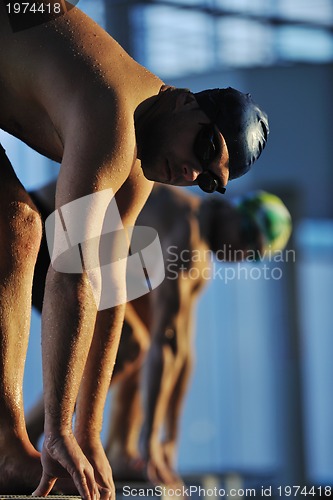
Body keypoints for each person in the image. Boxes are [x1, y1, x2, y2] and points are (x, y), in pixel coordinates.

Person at [0, 0, 269, 497]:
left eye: (208, 180)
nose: (191, 174)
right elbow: (74, 271)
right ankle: (13, 445)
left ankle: (14, 446)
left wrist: (88, 432)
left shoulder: (138, 172)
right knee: (19, 229)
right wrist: (60, 427)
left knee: (20, 228)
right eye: (206, 148)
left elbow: (107, 291)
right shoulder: (114, 121)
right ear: (186, 100)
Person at [26, 183, 291, 487]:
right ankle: (30, 436)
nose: (240, 253)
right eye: (246, 238)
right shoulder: (187, 231)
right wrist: (152, 439)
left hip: (69, 239)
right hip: (43, 227)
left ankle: (121, 449)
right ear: (232, 211)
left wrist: (170, 438)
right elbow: (166, 348)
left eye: (252, 255)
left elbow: (181, 351)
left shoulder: (198, 254)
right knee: (130, 345)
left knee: (146, 325)